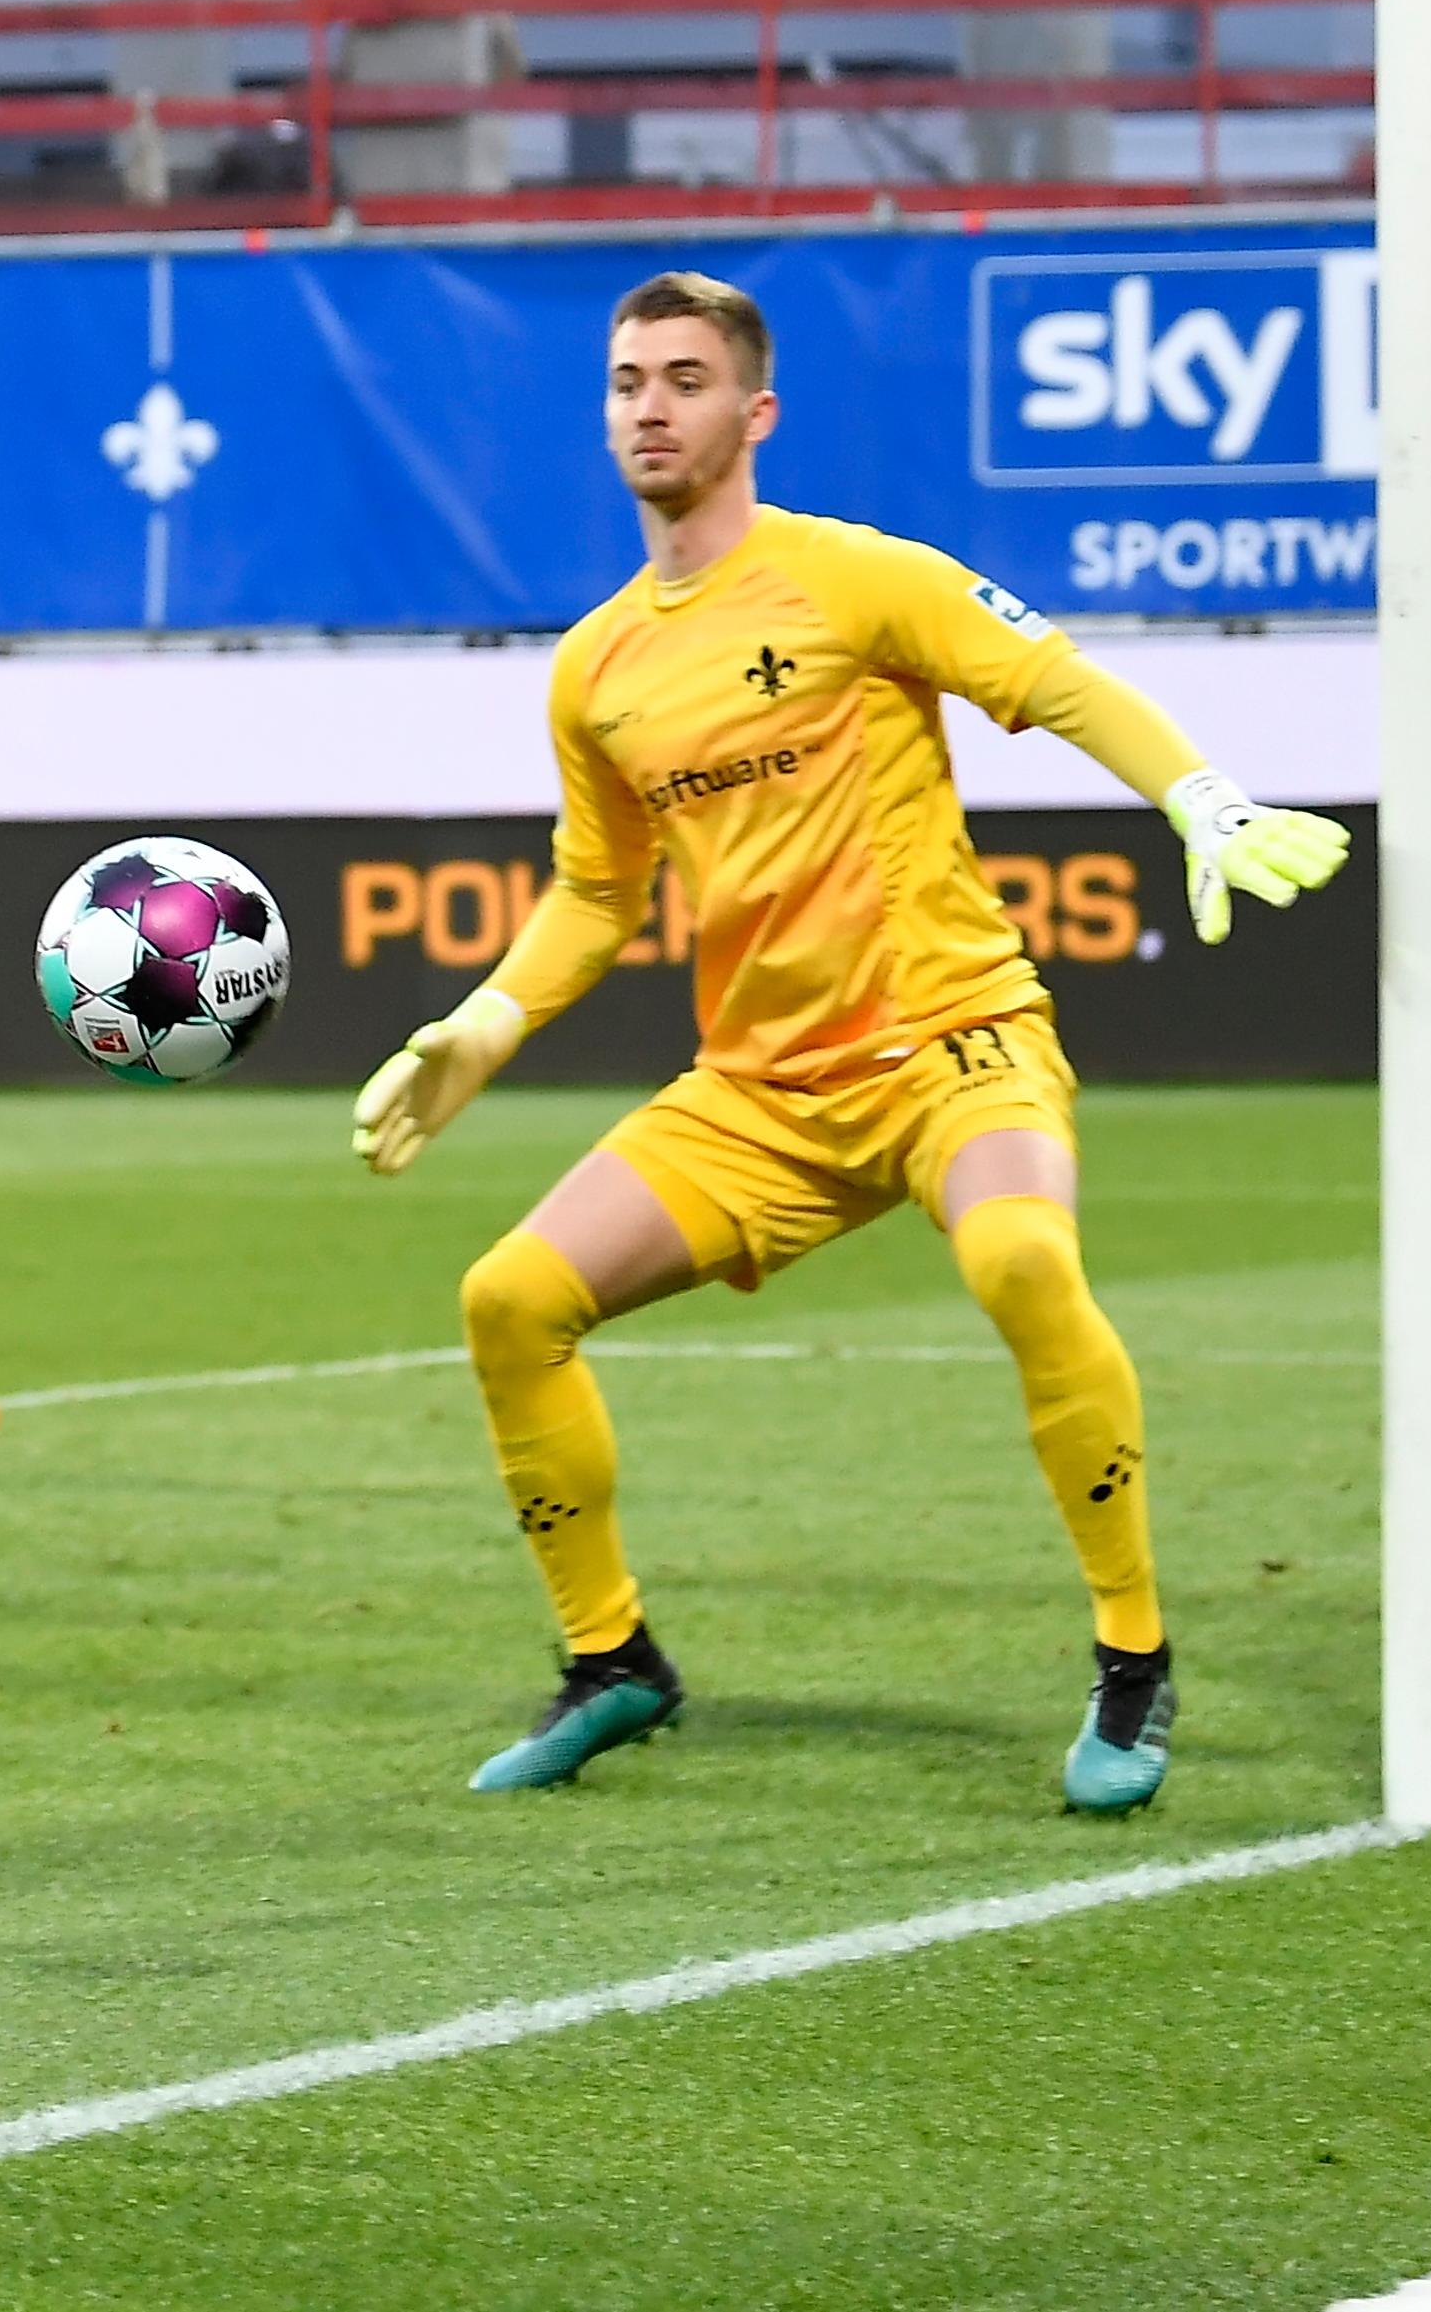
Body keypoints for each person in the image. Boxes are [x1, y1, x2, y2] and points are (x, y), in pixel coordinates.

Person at [351, 270, 1350, 1813]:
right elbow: (594, 892)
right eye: (627, 381)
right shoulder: (596, 666)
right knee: (511, 1298)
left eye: (684, 379)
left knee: (1024, 1262)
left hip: (956, 1042)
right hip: (760, 1093)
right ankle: (614, 1662)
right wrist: (481, 1027)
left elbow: (1055, 678)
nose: (650, 406)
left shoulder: (856, 579)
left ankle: (1135, 1661)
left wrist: (1201, 798)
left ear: (754, 415)